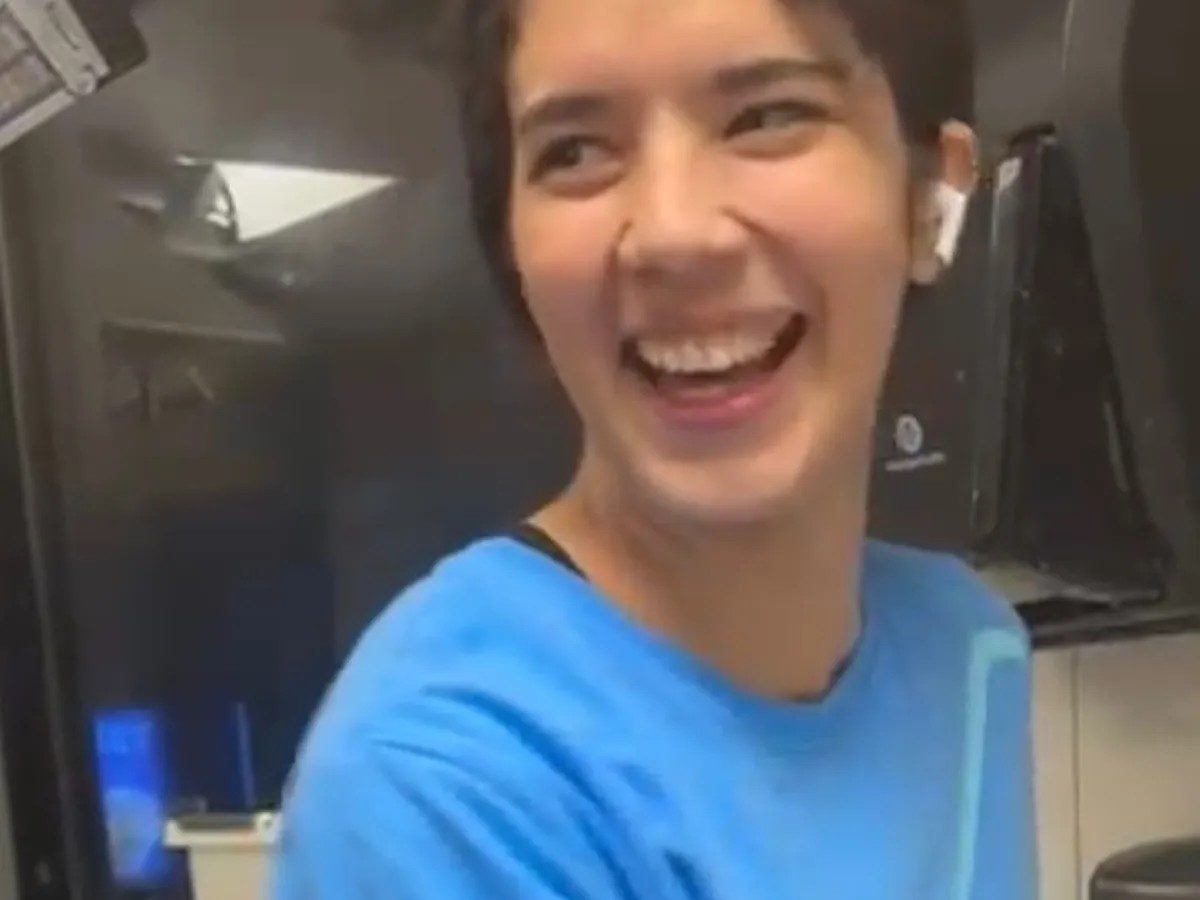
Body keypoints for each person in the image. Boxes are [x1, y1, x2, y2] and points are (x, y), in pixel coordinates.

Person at [273, 0, 1036, 896]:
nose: (675, 235)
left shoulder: (966, 650)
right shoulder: (445, 781)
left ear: (933, 197)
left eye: (768, 116)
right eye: (575, 152)